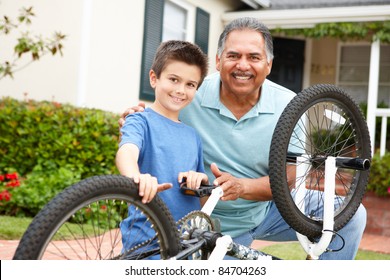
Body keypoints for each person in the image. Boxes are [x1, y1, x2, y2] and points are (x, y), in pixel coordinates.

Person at [119, 18, 366, 260]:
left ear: (268, 64)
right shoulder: (191, 91)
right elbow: (157, 117)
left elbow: (291, 174)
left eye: (254, 57)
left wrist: (243, 187)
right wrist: (136, 119)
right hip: (211, 219)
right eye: (233, 55)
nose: (243, 65)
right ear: (218, 60)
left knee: (351, 216)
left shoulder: (288, 104)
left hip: (268, 208)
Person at [116, 40, 209, 251]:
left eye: (190, 84)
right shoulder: (139, 120)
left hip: (187, 244)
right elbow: (127, 151)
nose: (180, 90)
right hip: (147, 242)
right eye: (174, 79)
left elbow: (201, 201)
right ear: (154, 78)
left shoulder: (192, 136)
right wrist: (136, 177)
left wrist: (201, 182)